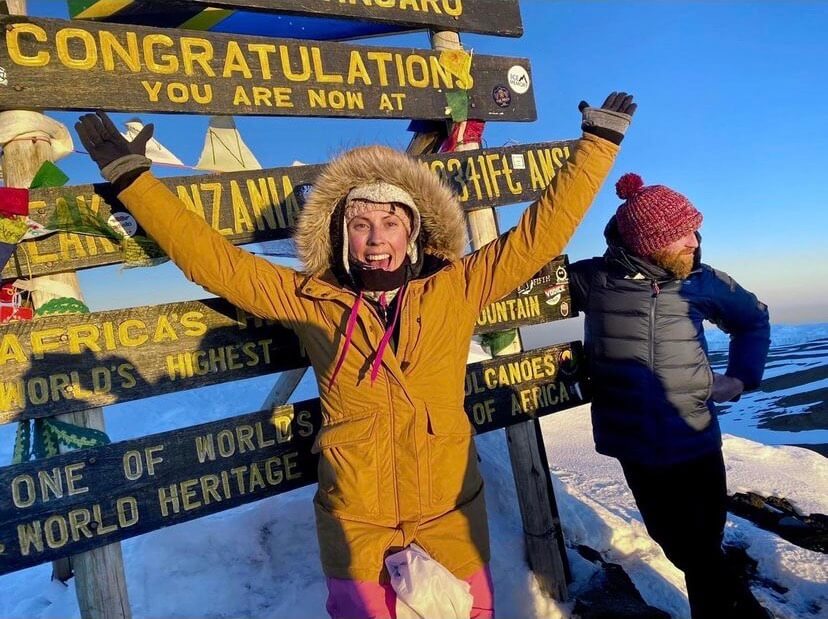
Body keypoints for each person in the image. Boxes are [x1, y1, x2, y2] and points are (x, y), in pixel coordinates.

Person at [75, 92, 636, 619]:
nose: (375, 237)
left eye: (390, 223)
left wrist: (596, 147)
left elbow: (538, 235)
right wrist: (134, 181)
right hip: (355, 522)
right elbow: (213, 262)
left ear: (412, 235)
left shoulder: (457, 287)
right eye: (360, 224)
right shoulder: (311, 301)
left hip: (452, 516)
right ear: (343, 236)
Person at [568, 173, 772, 619]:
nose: (694, 241)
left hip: (695, 438)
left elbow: (753, 320)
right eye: (681, 233)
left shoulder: (701, 282)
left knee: (700, 551)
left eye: (695, 229)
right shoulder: (594, 280)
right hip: (634, 446)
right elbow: (522, 286)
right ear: (647, 241)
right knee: (681, 547)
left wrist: (739, 378)